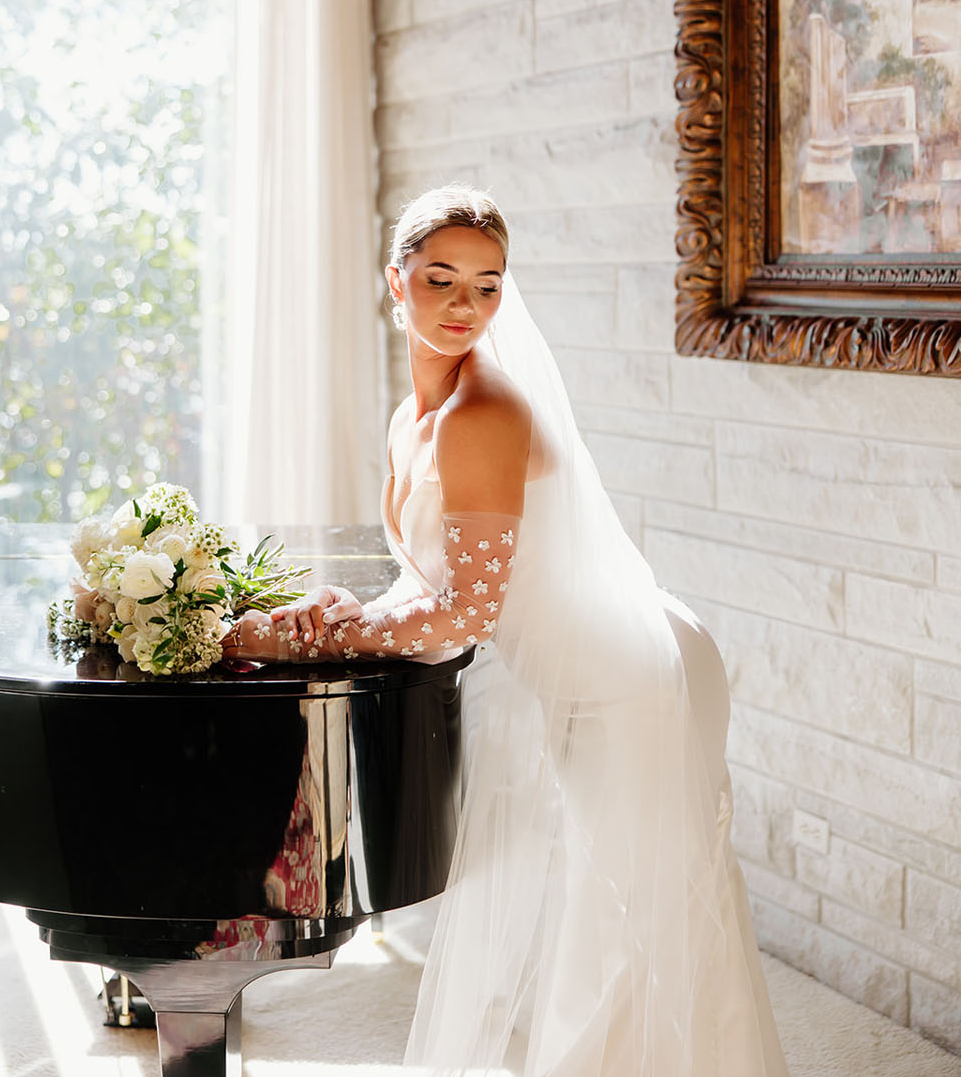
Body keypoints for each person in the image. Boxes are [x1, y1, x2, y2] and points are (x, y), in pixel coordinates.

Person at [223, 184, 789, 1077]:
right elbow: (435, 581)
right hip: (578, 665)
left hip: (635, 676)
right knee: (586, 911)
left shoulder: (482, 412)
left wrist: (305, 640)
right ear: (394, 280)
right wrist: (350, 609)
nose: (465, 306)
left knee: (630, 924)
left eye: (487, 285)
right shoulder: (413, 417)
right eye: (441, 278)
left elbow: (465, 617)